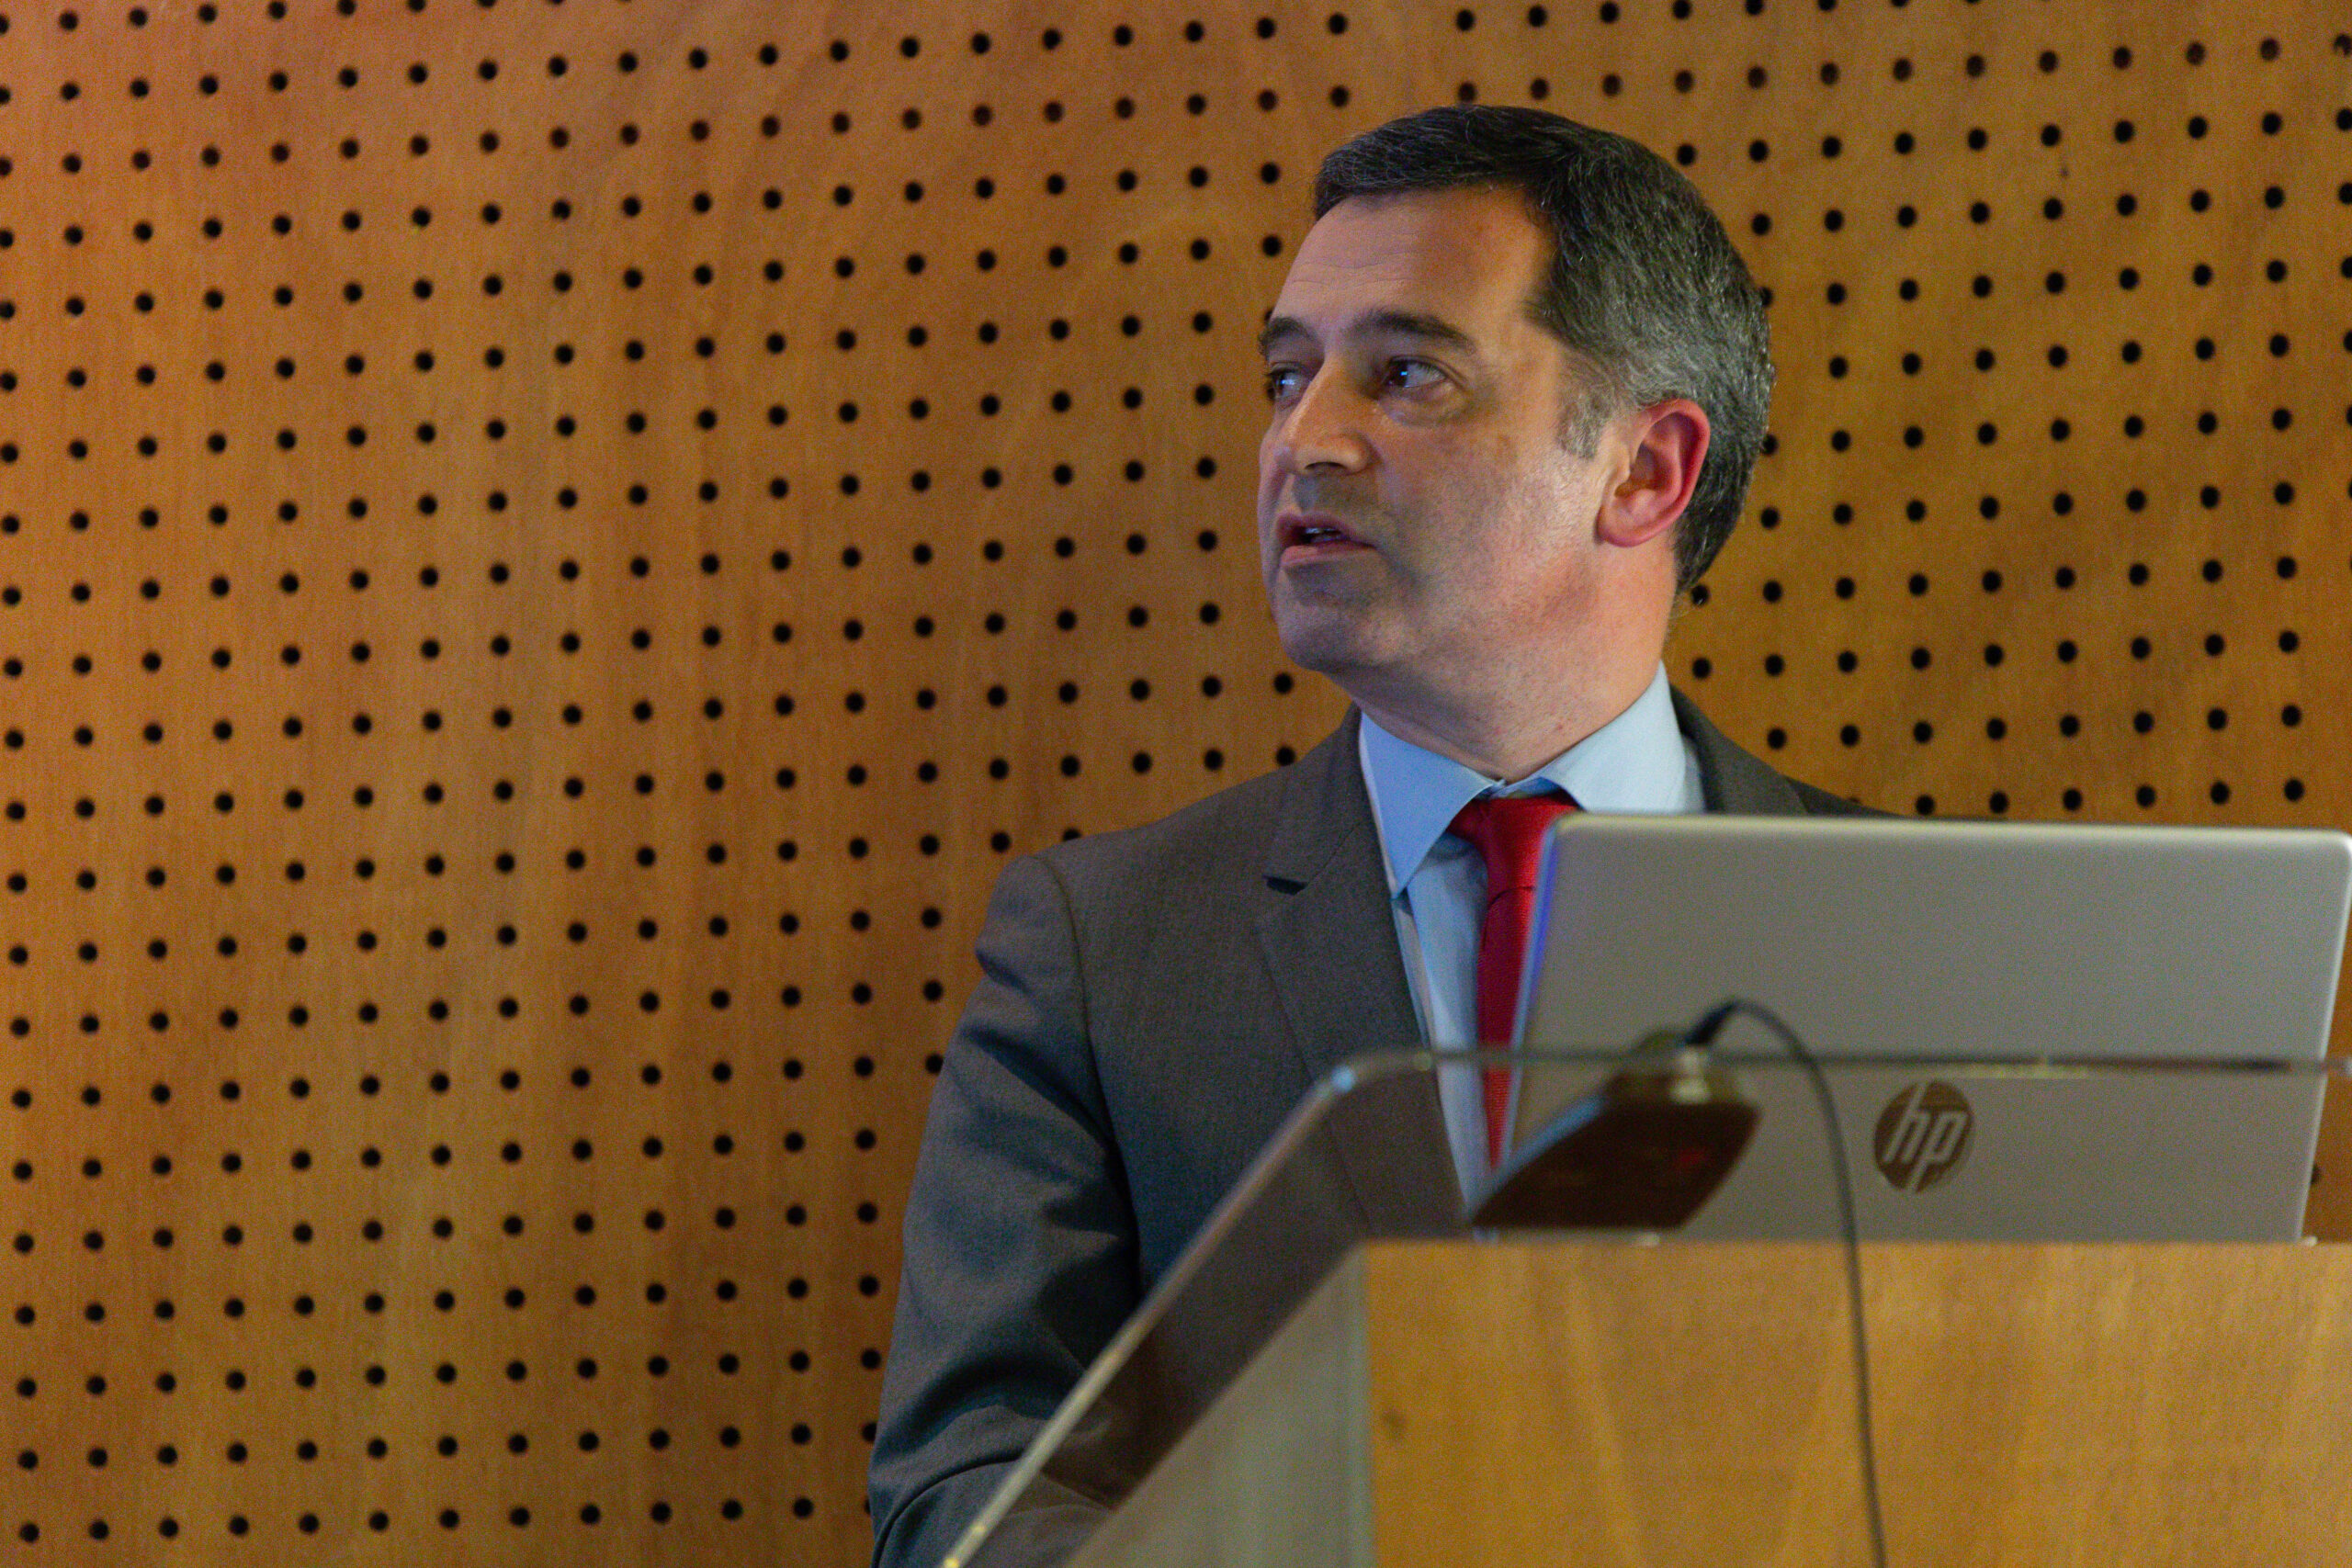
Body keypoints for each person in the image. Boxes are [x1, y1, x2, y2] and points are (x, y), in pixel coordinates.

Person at [867, 104, 1871, 1568]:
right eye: (1289, 375)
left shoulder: (1911, 930)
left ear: (1645, 472)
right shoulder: (1102, 951)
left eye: (1407, 375)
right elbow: (965, 1499)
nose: (1305, 440)